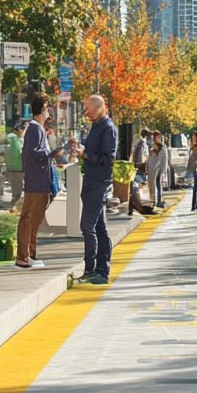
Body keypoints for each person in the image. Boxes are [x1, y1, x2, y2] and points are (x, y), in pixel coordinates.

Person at [68, 94, 117, 285]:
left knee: (87, 226)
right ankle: (101, 270)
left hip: (99, 183)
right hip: (91, 182)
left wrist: (85, 154)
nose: (85, 112)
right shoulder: (96, 126)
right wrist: (82, 152)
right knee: (99, 227)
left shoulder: (108, 128)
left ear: (99, 108)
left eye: (88, 108)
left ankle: (91, 270)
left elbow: (108, 159)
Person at [15, 97, 65, 270]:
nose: (49, 112)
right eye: (47, 109)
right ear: (42, 110)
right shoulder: (35, 130)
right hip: (36, 182)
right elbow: (32, 154)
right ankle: (24, 256)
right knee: (29, 219)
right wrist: (51, 154)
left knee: (34, 220)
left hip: (39, 182)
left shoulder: (38, 129)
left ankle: (29, 254)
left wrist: (51, 155)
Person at [4, 121, 25, 205]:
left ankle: (15, 204)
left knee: (16, 188)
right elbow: (18, 153)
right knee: (18, 190)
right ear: (19, 130)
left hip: (13, 167)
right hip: (17, 167)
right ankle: (15, 206)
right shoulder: (14, 138)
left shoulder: (11, 137)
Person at [147, 132, 169, 209]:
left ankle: (158, 201)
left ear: (159, 137)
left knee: (158, 185)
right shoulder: (154, 146)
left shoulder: (163, 148)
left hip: (159, 169)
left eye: (155, 137)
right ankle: (155, 201)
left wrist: (163, 171)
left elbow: (164, 160)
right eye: (153, 137)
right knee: (154, 185)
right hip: (154, 169)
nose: (154, 139)